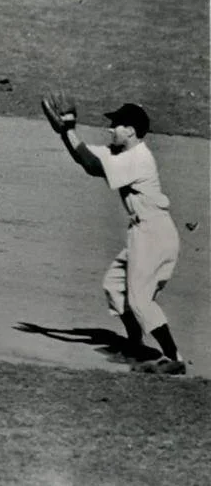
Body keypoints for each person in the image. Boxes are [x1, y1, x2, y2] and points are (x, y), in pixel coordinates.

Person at [52, 100, 185, 375]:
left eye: (116, 125)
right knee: (114, 286)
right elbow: (84, 157)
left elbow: (92, 164)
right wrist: (66, 132)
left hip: (154, 234)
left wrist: (68, 128)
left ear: (131, 131)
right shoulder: (121, 153)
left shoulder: (138, 159)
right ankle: (135, 345)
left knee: (140, 300)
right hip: (143, 233)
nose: (110, 129)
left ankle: (174, 358)